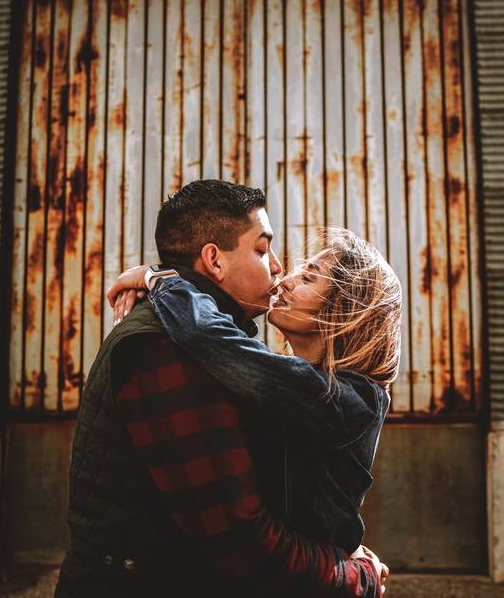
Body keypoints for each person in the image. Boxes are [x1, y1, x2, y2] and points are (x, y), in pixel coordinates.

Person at [55, 180, 387, 598]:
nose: (281, 270)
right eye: (263, 250)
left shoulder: (327, 391)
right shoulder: (172, 348)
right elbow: (243, 545)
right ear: (213, 259)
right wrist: (354, 575)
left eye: (310, 276)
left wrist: (160, 278)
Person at [109, 228, 402, 557]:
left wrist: (159, 279)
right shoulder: (294, 381)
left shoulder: (352, 400)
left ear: (344, 310)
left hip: (307, 577)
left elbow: (207, 337)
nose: (286, 280)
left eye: (309, 279)